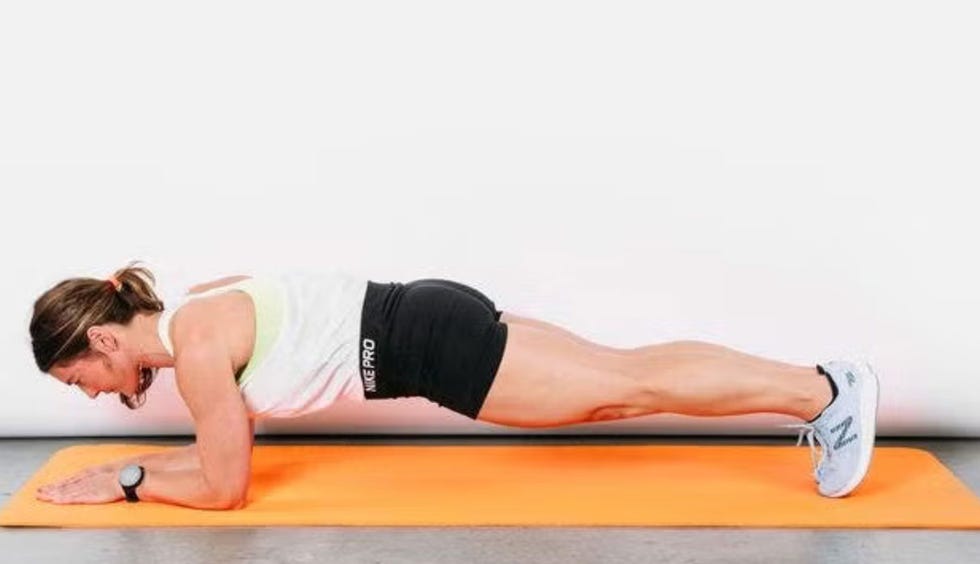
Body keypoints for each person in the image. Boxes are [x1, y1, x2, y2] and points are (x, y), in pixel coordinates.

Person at [29, 262, 879, 509]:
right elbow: (217, 451)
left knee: (627, 388)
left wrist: (130, 481)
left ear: (103, 337)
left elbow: (226, 485)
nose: (92, 394)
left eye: (82, 376)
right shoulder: (199, 304)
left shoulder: (203, 350)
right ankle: (820, 391)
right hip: (428, 313)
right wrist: (152, 464)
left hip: (431, 348)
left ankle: (826, 395)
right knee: (629, 373)